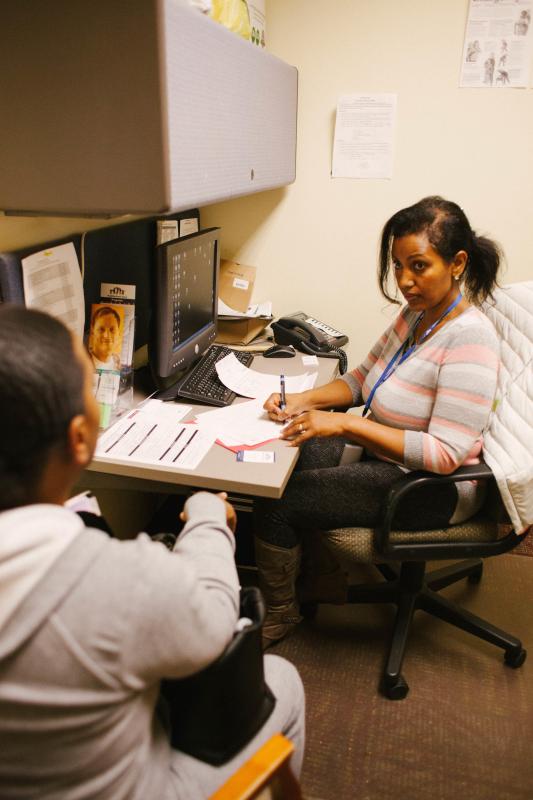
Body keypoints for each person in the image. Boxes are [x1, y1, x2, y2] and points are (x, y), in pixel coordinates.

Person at [0, 305, 305, 799]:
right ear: (80, 439)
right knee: (282, 679)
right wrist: (208, 519)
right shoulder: (115, 579)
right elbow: (213, 622)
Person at [254, 196, 502, 646]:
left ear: (457, 263)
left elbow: (445, 456)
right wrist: (303, 402)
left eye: (419, 266)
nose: (405, 281)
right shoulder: (417, 314)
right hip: (387, 457)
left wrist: (346, 425)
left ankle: (281, 612)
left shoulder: (471, 341)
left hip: (432, 488)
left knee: (278, 500)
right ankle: (322, 578)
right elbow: (363, 381)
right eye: (397, 266)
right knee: (288, 450)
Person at [89, 304, 122, 370]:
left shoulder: (121, 364)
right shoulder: (84, 361)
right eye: (101, 329)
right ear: (92, 332)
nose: (106, 335)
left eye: (112, 330)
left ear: (119, 334)